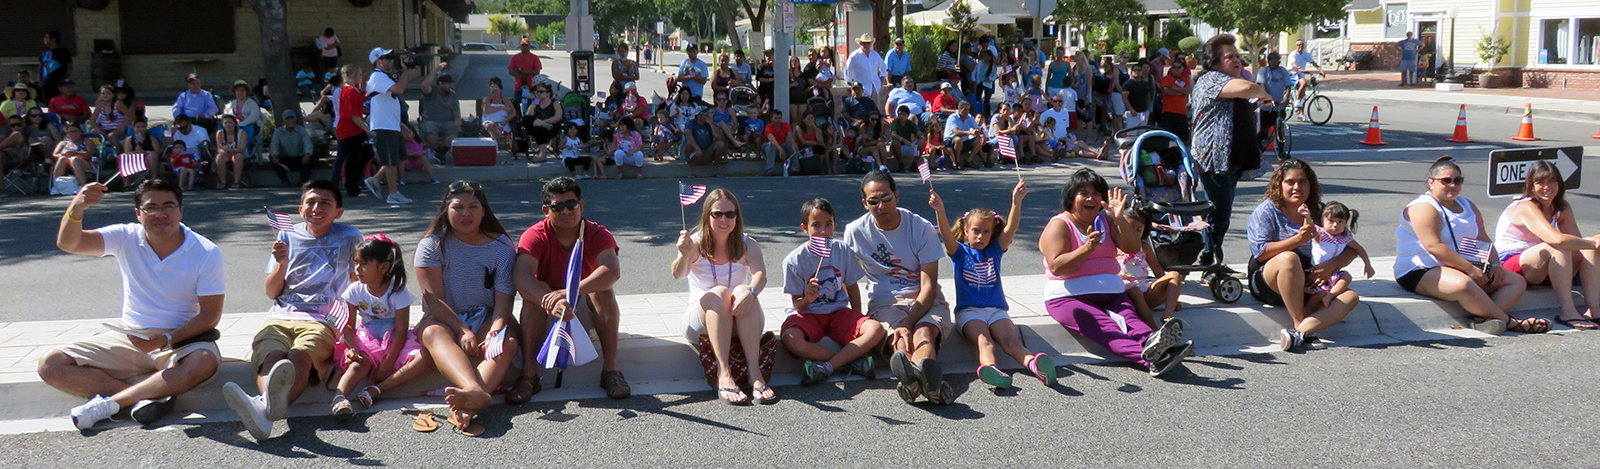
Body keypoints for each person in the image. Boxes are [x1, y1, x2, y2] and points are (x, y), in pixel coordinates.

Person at [42, 180, 223, 429]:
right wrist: (76, 209)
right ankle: (145, 400)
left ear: (181, 211)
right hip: (130, 336)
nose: (160, 214)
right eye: (151, 208)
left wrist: (167, 339)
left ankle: (110, 405)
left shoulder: (205, 251)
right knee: (50, 364)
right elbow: (69, 243)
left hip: (179, 340)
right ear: (138, 214)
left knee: (204, 362)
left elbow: (210, 316)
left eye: (168, 206)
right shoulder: (125, 237)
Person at [221, 180, 362, 440]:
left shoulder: (350, 236)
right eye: (311, 202)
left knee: (300, 355)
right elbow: (271, 292)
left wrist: (353, 325)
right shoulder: (287, 235)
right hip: (281, 315)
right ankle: (267, 410)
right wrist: (281, 263)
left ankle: (262, 410)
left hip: (323, 319)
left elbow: (357, 283)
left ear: (338, 212)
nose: (316, 208)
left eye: (325, 203)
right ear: (300, 209)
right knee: (271, 355)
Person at [1039, 169, 1191, 377]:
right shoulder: (1059, 225)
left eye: (1096, 194)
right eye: (1084, 193)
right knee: (1106, 329)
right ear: (1071, 198)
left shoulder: (1106, 221)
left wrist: (1119, 219)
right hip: (1069, 298)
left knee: (1132, 321)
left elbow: (1132, 247)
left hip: (1112, 294)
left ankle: (1155, 342)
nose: (1090, 198)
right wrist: (1086, 248)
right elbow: (1057, 266)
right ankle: (1154, 359)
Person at [413, 181, 520, 436]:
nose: (466, 214)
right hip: (442, 318)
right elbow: (433, 298)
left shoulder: (501, 246)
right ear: (446, 210)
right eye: (458, 207)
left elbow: (505, 297)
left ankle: (467, 406)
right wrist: (462, 330)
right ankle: (473, 388)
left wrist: (496, 329)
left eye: (473, 207)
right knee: (433, 334)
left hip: (486, 315)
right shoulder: (431, 245)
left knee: (506, 342)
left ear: (483, 211)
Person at [510, 178, 630, 402]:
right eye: (558, 207)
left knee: (602, 290)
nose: (566, 211)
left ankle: (611, 371)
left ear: (581, 206)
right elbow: (522, 276)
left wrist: (570, 292)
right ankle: (529, 376)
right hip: (546, 315)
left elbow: (611, 271)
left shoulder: (597, 233)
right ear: (546, 210)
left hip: (581, 311)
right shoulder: (535, 235)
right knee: (535, 293)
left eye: (571, 204)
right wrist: (550, 300)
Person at [930, 180, 1057, 389]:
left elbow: (1012, 227)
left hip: (997, 310)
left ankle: (1035, 365)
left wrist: (1016, 201)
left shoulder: (995, 251)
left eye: (986, 232)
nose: (981, 236)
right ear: (966, 231)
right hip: (970, 312)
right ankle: (993, 370)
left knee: (1011, 342)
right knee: (985, 341)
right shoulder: (960, 253)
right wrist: (940, 211)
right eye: (976, 231)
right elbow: (945, 234)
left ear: (992, 233)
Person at [844, 170, 955, 404]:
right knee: (900, 340)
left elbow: (928, 286)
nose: (881, 206)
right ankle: (928, 385)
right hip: (885, 301)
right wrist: (854, 317)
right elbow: (847, 278)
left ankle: (913, 382)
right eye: (873, 201)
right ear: (865, 204)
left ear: (896, 196)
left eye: (886, 198)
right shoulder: (855, 232)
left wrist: (909, 321)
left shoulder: (921, 228)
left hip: (923, 298)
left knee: (923, 333)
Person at [1244, 159, 1364, 350]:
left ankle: (1300, 333)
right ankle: (1300, 322)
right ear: (1279, 185)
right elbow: (1260, 253)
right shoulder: (1267, 211)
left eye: (1302, 182)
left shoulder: (1319, 211)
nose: (1296, 187)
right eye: (1290, 182)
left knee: (1350, 297)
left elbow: (1351, 248)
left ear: (1311, 185)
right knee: (1289, 258)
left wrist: (1331, 266)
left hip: (1310, 283)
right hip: (1270, 279)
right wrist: (1298, 240)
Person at [671, 188, 773, 405]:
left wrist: (751, 292)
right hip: (701, 321)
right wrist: (684, 255)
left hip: (740, 317)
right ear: (707, 216)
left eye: (730, 214)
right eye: (717, 214)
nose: (724, 219)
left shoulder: (747, 243)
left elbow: (761, 275)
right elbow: (678, 274)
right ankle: (723, 372)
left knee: (743, 289)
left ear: (737, 216)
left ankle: (755, 374)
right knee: (720, 292)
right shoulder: (695, 243)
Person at [1190, 34, 1275, 267]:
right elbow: (1248, 87)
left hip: (1233, 159)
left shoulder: (1232, 81)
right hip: (1213, 159)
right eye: (1230, 57)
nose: (1237, 60)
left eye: (1238, 56)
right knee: (1219, 212)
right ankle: (1209, 259)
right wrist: (1262, 93)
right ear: (1215, 62)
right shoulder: (1210, 79)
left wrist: (1259, 94)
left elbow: (1246, 89)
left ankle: (1211, 257)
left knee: (1221, 213)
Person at [784, 198, 886, 385]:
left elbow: (852, 285)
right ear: (805, 228)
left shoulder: (842, 250)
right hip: (808, 314)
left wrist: (857, 316)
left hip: (838, 312)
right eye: (816, 225)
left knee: (876, 329)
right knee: (790, 339)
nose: (823, 231)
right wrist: (807, 298)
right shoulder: (794, 261)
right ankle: (847, 360)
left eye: (828, 224)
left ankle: (829, 366)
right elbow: (797, 305)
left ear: (835, 225)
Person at [1494, 161, 1600, 329]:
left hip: (1543, 263)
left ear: (1559, 184)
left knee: (1588, 249)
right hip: (1512, 263)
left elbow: (1576, 241)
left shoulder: (1561, 207)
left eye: (1552, 182)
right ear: (1531, 186)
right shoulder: (1526, 207)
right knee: (1560, 247)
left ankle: (1594, 310)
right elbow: (1556, 239)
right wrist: (1593, 241)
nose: (1547, 187)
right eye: (1540, 183)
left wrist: (1594, 242)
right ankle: (1568, 311)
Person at [332, 234, 427, 418]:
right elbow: (349, 325)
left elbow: (401, 330)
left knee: (423, 357)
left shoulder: (397, 292)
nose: (357, 269)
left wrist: (388, 362)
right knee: (360, 364)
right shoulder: (355, 290)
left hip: (393, 339)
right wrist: (352, 348)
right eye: (355, 263)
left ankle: (377, 389)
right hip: (367, 338)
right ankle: (339, 397)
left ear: (383, 267)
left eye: (364, 264)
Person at [1116, 201, 1186, 326]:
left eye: (1138, 230)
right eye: (1129, 228)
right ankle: (1153, 329)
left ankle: (1168, 315)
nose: (1134, 233)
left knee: (1174, 275)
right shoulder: (1113, 246)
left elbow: (1159, 273)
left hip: (1146, 291)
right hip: (1124, 292)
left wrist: (1169, 295)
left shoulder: (1144, 247)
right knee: (1135, 291)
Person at [361, 48, 415, 205]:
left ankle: (375, 179)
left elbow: (388, 103)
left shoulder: (384, 77)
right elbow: (399, 89)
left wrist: (400, 124)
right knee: (390, 161)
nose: (390, 60)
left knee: (396, 158)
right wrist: (406, 72)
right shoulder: (377, 76)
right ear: (378, 61)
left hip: (391, 124)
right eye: (386, 58)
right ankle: (393, 193)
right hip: (383, 125)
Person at [1310, 201, 1375, 307]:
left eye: (1340, 222)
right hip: (1316, 271)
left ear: (1346, 223)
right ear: (1322, 221)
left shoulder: (1344, 237)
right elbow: (1310, 228)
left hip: (1333, 273)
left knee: (1347, 277)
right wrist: (1306, 216)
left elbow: (1359, 249)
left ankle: (1330, 295)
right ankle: (1305, 312)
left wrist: (1368, 265)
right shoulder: (1321, 234)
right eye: (1331, 221)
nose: (1335, 225)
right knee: (1318, 295)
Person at [420, 63, 462, 158]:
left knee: (455, 132)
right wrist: (436, 70)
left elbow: (456, 110)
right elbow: (425, 84)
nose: (450, 86)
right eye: (448, 84)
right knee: (430, 133)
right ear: (440, 84)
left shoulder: (453, 95)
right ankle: (437, 150)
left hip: (448, 122)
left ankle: (443, 150)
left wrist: (457, 119)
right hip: (432, 121)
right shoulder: (431, 92)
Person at [1255, 52, 1293, 146]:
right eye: (1273, 60)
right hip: (1267, 105)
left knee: (1279, 128)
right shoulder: (1264, 71)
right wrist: (1268, 98)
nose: (1276, 62)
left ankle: (1281, 150)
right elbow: (1262, 85)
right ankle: (1260, 146)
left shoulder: (1283, 71)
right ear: (1269, 61)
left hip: (1279, 104)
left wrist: (1286, 98)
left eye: (1277, 60)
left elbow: (1288, 86)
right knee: (1264, 127)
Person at [269, 110, 315, 186]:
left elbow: (307, 143)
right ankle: (285, 181)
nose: (290, 120)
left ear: (295, 119)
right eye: (287, 119)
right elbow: (274, 144)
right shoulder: (278, 131)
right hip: (285, 159)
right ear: (284, 121)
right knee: (272, 157)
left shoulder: (301, 130)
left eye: (292, 118)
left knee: (311, 157)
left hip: (299, 159)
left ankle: (303, 181)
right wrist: (275, 155)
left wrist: (307, 154)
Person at [521, 83, 564, 159]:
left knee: (539, 129)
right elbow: (529, 114)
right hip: (539, 126)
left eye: (541, 92)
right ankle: (543, 154)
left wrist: (544, 122)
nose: (539, 93)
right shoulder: (537, 103)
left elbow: (557, 117)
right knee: (525, 119)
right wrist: (535, 102)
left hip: (551, 127)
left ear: (548, 94)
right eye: (538, 92)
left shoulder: (555, 103)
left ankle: (543, 154)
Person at [49, 124, 94, 194]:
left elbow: (90, 153)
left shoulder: (86, 141)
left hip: (83, 163)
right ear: (67, 133)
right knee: (62, 159)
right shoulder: (63, 143)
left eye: (75, 131)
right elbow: (54, 154)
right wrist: (63, 154)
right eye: (70, 132)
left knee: (75, 159)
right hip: (66, 163)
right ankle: (56, 186)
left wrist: (75, 153)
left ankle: (82, 185)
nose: (73, 134)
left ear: (80, 132)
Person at [224, 80, 264, 155]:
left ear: (246, 92)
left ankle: (244, 150)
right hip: (233, 126)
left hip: (249, 126)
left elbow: (254, 117)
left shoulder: (252, 103)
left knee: (246, 129)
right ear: (235, 92)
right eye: (238, 90)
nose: (240, 92)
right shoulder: (230, 104)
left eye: (242, 90)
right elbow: (226, 116)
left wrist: (241, 124)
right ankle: (225, 148)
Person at [846, 34, 889, 103]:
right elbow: (847, 69)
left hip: (875, 87)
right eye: (864, 43)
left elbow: (883, 66)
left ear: (870, 44)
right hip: (862, 88)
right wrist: (849, 83)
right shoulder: (855, 55)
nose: (866, 45)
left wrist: (882, 77)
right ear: (860, 43)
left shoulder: (875, 54)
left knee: (875, 108)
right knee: (863, 107)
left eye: (868, 43)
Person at [684, 108, 725, 177]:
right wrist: (697, 148)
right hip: (695, 152)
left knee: (720, 144)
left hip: (707, 151)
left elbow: (719, 138)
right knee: (689, 146)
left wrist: (711, 124)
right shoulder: (690, 123)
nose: (708, 116)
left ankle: (715, 171)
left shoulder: (710, 124)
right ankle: (694, 172)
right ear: (699, 116)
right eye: (705, 115)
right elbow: (688, 136)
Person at [480, 77, 517, 150]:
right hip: (488, 122)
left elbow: (513, 113)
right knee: (489, 125)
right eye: (491, 90)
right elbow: (487, 110)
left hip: (501, 123)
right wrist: (502, 107)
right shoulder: (487, 100)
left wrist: (506, 120)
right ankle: (497, 132)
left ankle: (495, 134)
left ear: (500, 90)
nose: (493, 92)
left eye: (496, 90)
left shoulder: (506, 101)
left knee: (493, 127)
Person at [943, 101, 982, 169]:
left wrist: (980, 132)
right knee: (959, 139)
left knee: (980, 139)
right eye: (965, 110)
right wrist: (970, 132)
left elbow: (977, 128)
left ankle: (969, 161)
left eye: (968, 110)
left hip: (964, 141)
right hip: (950, 141)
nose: (967, 112)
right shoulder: (953, 117)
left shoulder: (970, 117)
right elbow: (957, 132)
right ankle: (958, 161)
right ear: (959, 109)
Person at [213, 114, 248, 190]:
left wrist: (230, 150)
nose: (228, 125)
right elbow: (219, 148)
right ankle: (223, 182)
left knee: (237, 157)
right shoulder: (220, 133)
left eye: (230, 122)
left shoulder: (242, 133)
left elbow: (242, 149)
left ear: (235, 124)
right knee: (219, 157)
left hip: (239, 153)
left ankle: (236, 182)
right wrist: (224, 151)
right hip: (226, 154)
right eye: (225, 123)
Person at [507, 39, 544, 111]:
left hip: (532, 86)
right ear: (520, 46)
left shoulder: (534, 57)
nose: (524, 47)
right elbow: (510, 70)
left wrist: (525, 72)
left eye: (526, 45)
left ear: (529, 46)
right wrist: (521, 76)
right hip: (518, 86)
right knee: (517, 105)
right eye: (523, 45)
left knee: (532, 105)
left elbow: (537, 71)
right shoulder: (515, 57)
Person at [39, 31, 72, 101]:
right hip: (46, 82)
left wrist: (66, 79)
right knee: (48, 101)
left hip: (59, 81)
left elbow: (69, 66)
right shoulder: (44, 51)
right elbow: (41, 65)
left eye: (47, 37)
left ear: (53, 39)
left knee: (60, 100)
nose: (45, 39)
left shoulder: (63, 51)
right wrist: (40, 79)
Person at [888, 105, 921, 172]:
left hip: (909, 145)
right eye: (899, 114)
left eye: (903, 115)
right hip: (898, 146)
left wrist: (920, 138)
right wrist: (903, 140)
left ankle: (914, 164)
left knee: (922, 141)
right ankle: (901, 164)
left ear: (907, 115)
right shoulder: (895, 122)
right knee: (896, 142)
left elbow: (919, 133)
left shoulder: (911, 123)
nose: (901, 116)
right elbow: (893, 134)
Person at [762, 109, 794, 176]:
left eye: (779, 118)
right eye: (776, 118)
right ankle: (770, 170)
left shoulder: (786, 125)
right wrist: (780, 149)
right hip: (770, 149)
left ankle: (795, 169)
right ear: (771, 119)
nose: (778, 120)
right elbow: (772, 139)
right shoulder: (768, 127)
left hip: (782, 146)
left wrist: (794, 144)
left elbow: (790, 136)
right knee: (771, 145)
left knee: (791, 145)